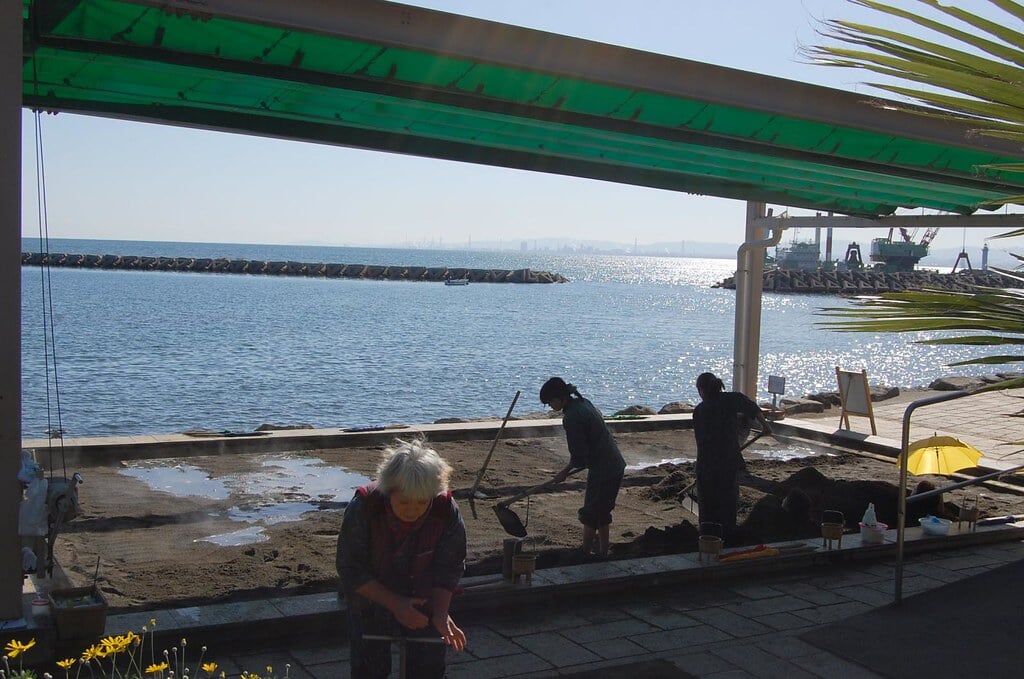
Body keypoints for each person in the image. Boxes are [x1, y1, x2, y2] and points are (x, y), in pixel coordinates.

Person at [336, 438, 468, 679]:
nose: (412, 510)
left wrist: (440, 612)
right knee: (369, 669)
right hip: (370, 596)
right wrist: (396, 604)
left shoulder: (445, 510)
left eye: (421, 502)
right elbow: (350, 568)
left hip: (423, 595)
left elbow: (449, 566)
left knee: (429, 668)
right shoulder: (365, 507)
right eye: (404, 501)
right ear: (389, 492)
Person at [539, 377, 626, 558]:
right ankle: (603, 551)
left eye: (550, 402)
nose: (550, 405)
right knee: (602, 511)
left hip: (604, 468)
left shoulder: (572, 417)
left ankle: (586, 552)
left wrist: (564, 472)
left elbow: (579, 456)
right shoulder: (583, 402)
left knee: (591, 512)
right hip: (614, 464)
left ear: (559, 398)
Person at [692, 372, 772, 540]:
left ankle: (708, 534)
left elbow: (703, 441)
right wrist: (765, 426)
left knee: (708, 502)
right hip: (729, 460)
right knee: (727, 499)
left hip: (707, 463)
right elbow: (753, 407)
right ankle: (727, 532)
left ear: (701, 390)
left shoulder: (700, 410)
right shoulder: (731, 399)